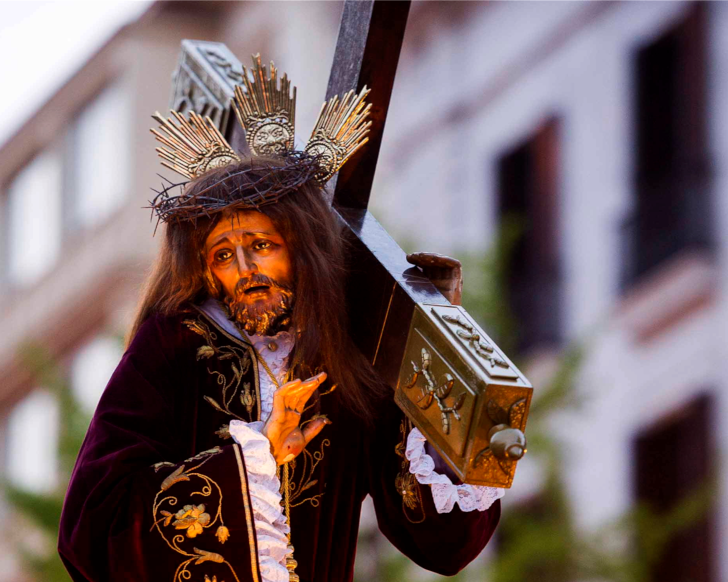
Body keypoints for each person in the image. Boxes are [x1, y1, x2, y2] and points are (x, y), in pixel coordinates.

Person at [58, 57, 504, 582]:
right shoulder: (176, 342)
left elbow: (442, 541)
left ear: (302, 249)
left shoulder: (348, 362)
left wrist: (432, 353)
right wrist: (255, 456)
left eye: (261, 246)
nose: (245, 270)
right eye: (223, 255)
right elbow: (94, 523)